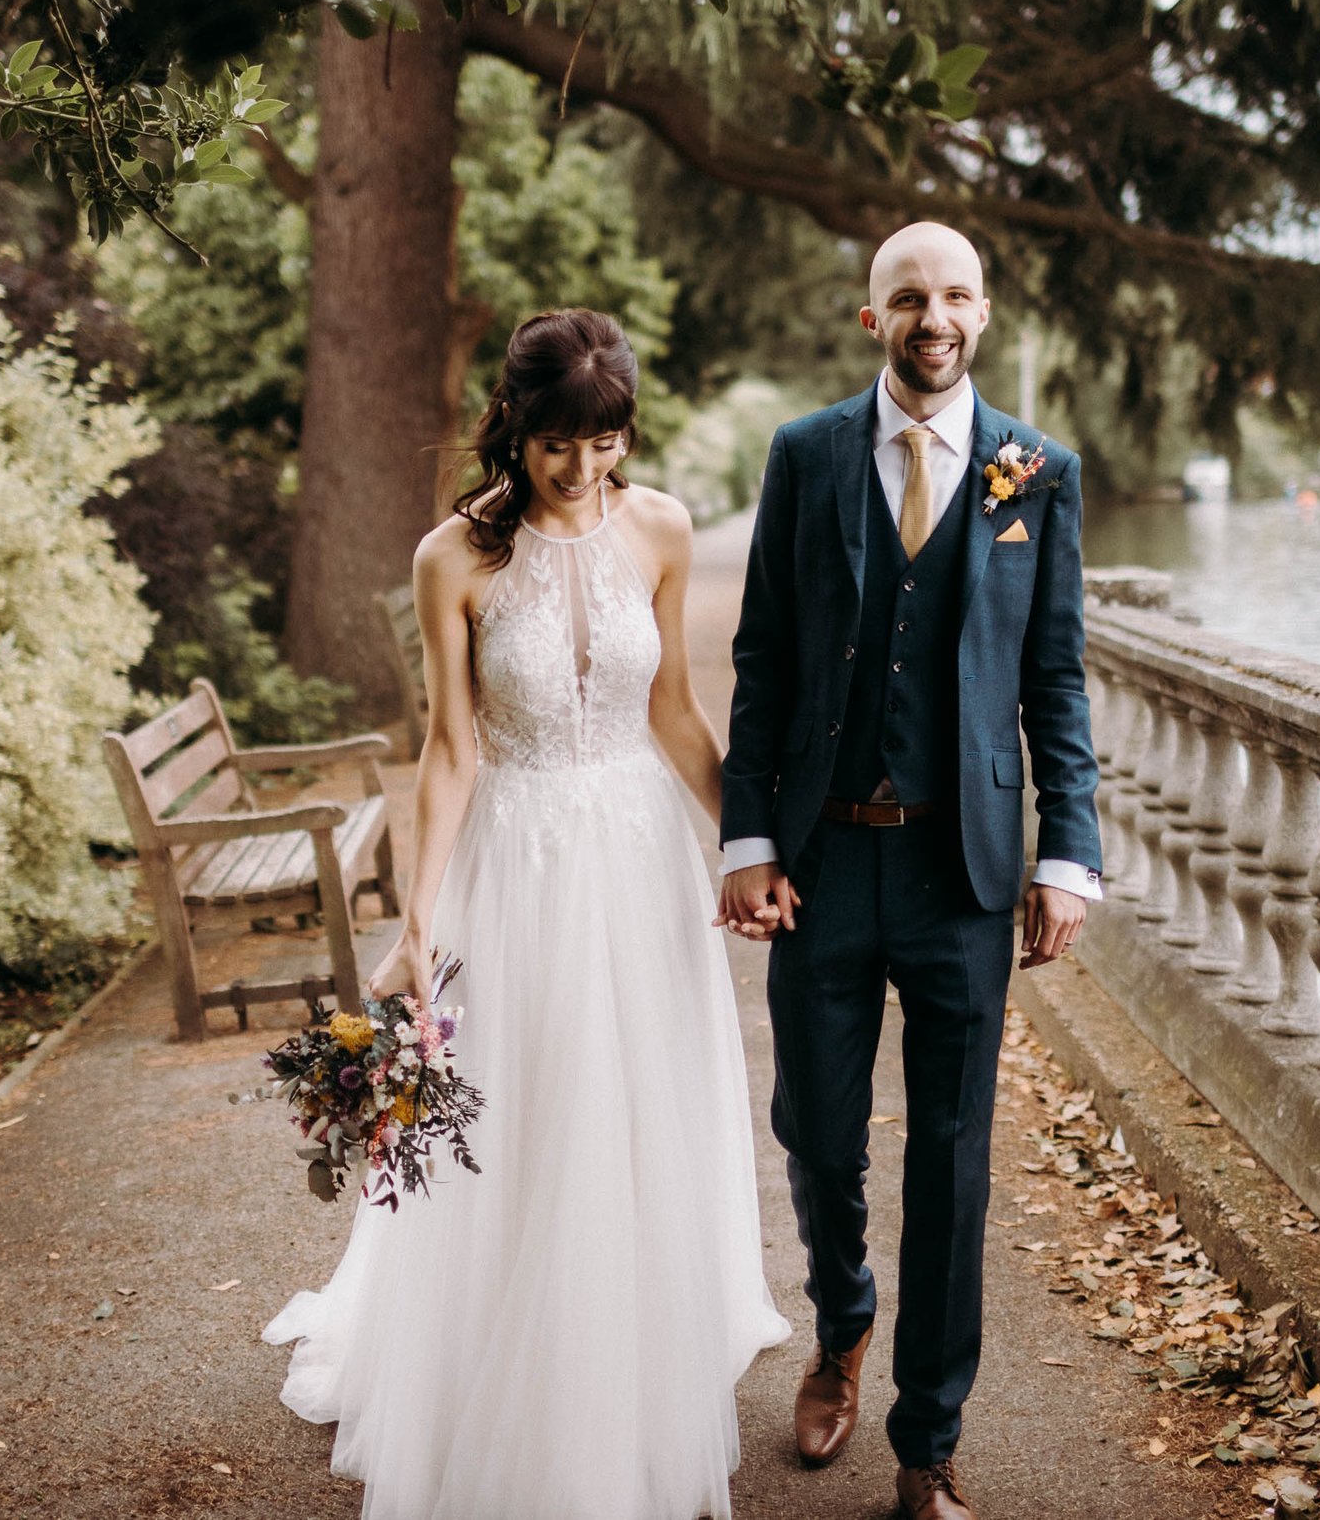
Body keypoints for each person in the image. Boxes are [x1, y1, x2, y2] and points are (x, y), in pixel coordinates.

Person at [265, 309, 789, 1520]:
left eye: (602, 440)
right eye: (557, 441)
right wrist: (420, 915)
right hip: (521, 853)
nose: (580, 467)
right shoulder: (450, 556)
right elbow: (450, 747)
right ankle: (511, 1346)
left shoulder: (659, 526)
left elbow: (671, 709)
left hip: (639, 855)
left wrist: (745, 850)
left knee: (638, 1091)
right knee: (530, 1099)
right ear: (515, 426)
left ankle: (633, 1335)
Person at [715, 223, 1102, 1520]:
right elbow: (765, 657)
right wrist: (750, 837)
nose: (930, 316)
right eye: (906, 297)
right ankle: (841, 1322)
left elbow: (1055, 678)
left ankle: (927, 1442)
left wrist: (1069, 852)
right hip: (821, 864)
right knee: (818, 1139)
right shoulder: (807, 453)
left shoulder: (1038, 471)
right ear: (868, 314)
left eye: (952, 295)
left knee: (952, 1156)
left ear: (981, 311)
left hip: (965, 875)